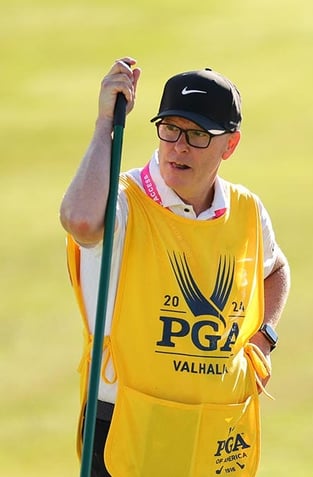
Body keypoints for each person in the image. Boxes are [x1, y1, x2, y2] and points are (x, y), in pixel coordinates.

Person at [60, 57, 290, 477]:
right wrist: (103, 127)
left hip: (215, 431)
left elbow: (275, 269)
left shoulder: (246, 211)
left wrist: (264, 339)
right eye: (170, 129)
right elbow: (80, 221)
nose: (179, 146)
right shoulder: (122, 201)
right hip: (126, 427)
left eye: (198, 134)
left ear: (230, 145)